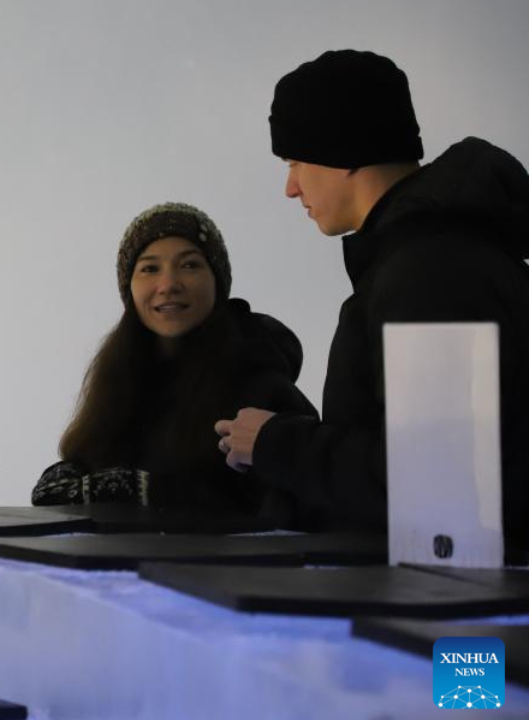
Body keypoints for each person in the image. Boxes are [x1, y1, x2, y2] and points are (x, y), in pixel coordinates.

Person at [215, 50, 529, 544]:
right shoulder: (428, 257)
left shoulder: (430, 271)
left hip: (451, 612)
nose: (291, 188)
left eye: (295, 160)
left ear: (341, 152)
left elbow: (436, 485)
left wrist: (278, 443)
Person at [32, 202, 316, 520]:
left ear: (217, 282)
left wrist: (145, 491)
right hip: (122, 565)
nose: (168, 285)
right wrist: (70, 472)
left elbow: (289, 501)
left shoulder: (258, 377)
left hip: (220, 568)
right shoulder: (120, 377)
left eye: (190, 265)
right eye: (150, 269)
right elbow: (96, 465)